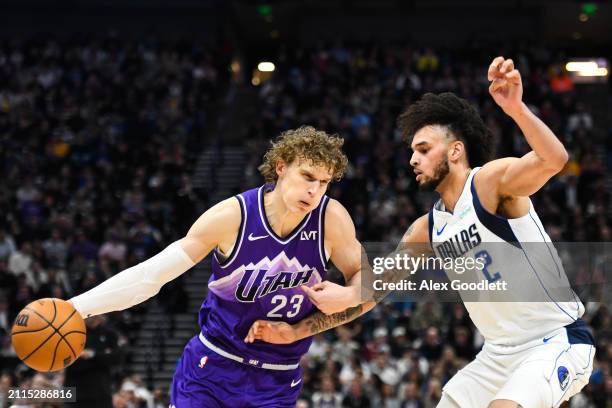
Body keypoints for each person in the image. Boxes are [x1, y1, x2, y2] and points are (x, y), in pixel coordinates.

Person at [245, 57, 596, 408]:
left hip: (554, 340)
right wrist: (299, 328)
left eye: (424, 149)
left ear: (456, 151)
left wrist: (516, 108)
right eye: (412, 151)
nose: (413, 159)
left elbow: (553, 160)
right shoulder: (427, 229)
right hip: (498, 358)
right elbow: (373, 290)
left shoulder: (489, 183)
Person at [67, 126, 364, 407]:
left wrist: (308, 324)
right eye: (308, 176)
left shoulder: (331, 219)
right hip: (212, 368)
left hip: (278, 377)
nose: (315, 191)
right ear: (281, 167)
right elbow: (150, 276)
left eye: (324, 182)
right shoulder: (231, 217)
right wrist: (75, 307)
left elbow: (373, 284)